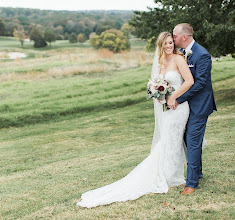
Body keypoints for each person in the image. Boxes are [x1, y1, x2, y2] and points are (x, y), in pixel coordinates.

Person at [76, 32, 194, 208]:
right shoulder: (161, 64)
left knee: (173, 141)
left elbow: (189, 81)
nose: (169, 46)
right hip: (168, 107)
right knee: (168, 141)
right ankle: (169, 175)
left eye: (171, 42)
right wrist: (161, 97)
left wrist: (173, 97)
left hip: (179, 108)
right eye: (166, 44)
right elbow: (160, 86)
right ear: (161, 46)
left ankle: (172, 175)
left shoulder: (178, 59)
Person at [169, 23, 217, 195]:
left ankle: (191, 184)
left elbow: (200, 84)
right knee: (188, 140)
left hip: (200, 105)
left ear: (183, 37)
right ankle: (198, 172)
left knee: (193, 140)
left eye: (174, 36)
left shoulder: (202, 55)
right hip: (186, 107)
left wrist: (178, 98)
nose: (173, 39)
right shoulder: (181, 54)